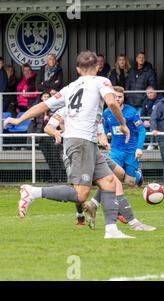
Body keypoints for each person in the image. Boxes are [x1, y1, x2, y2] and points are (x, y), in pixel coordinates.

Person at [4, 50, 133, 239]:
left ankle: (111, 231)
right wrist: (123, 124)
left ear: (78, 69)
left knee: (110, 181)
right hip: (81, 141)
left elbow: (42, 106)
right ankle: (32, 192)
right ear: (98, 67)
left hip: (84, 141)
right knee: (81, 195)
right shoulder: (101, 81)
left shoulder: (70, 87)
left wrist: (18, 119)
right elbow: (112, 103)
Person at [44, 106, 156, 231]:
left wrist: (104, 142)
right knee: (81, 192)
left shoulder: (93, 111)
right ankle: (82, 215)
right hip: (75, 155)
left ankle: (94, 204)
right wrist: (55, 133)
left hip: (94, 152)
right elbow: (48, 127)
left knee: (119, 173)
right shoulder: (64, 110)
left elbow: (100, 133)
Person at [102, 86, 146, 187]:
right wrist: (105, 142)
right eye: (115, 96)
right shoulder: (107, 112)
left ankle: (138, 174)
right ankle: (114, 200)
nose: (117, 99)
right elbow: (103, 130)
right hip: (115, 150)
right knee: (114, 177)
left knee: (130, 182)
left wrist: (139, 148)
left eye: (120, 97)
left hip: (131, 150)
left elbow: (142, 130)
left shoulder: (131, 112)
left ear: (123, 97)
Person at [140, 85, 161, 149]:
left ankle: (153, 144)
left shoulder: (160, 100)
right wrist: (144, 121)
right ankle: (142, 146)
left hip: (158, 121)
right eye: (148, 93)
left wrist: (150, 121)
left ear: (155, 92)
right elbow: (142, 114)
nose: (150, 94)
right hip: (148, 122)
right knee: (139, 128)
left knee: (153, 125)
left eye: (151, 92)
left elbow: (159, 114)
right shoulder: (145, 101)